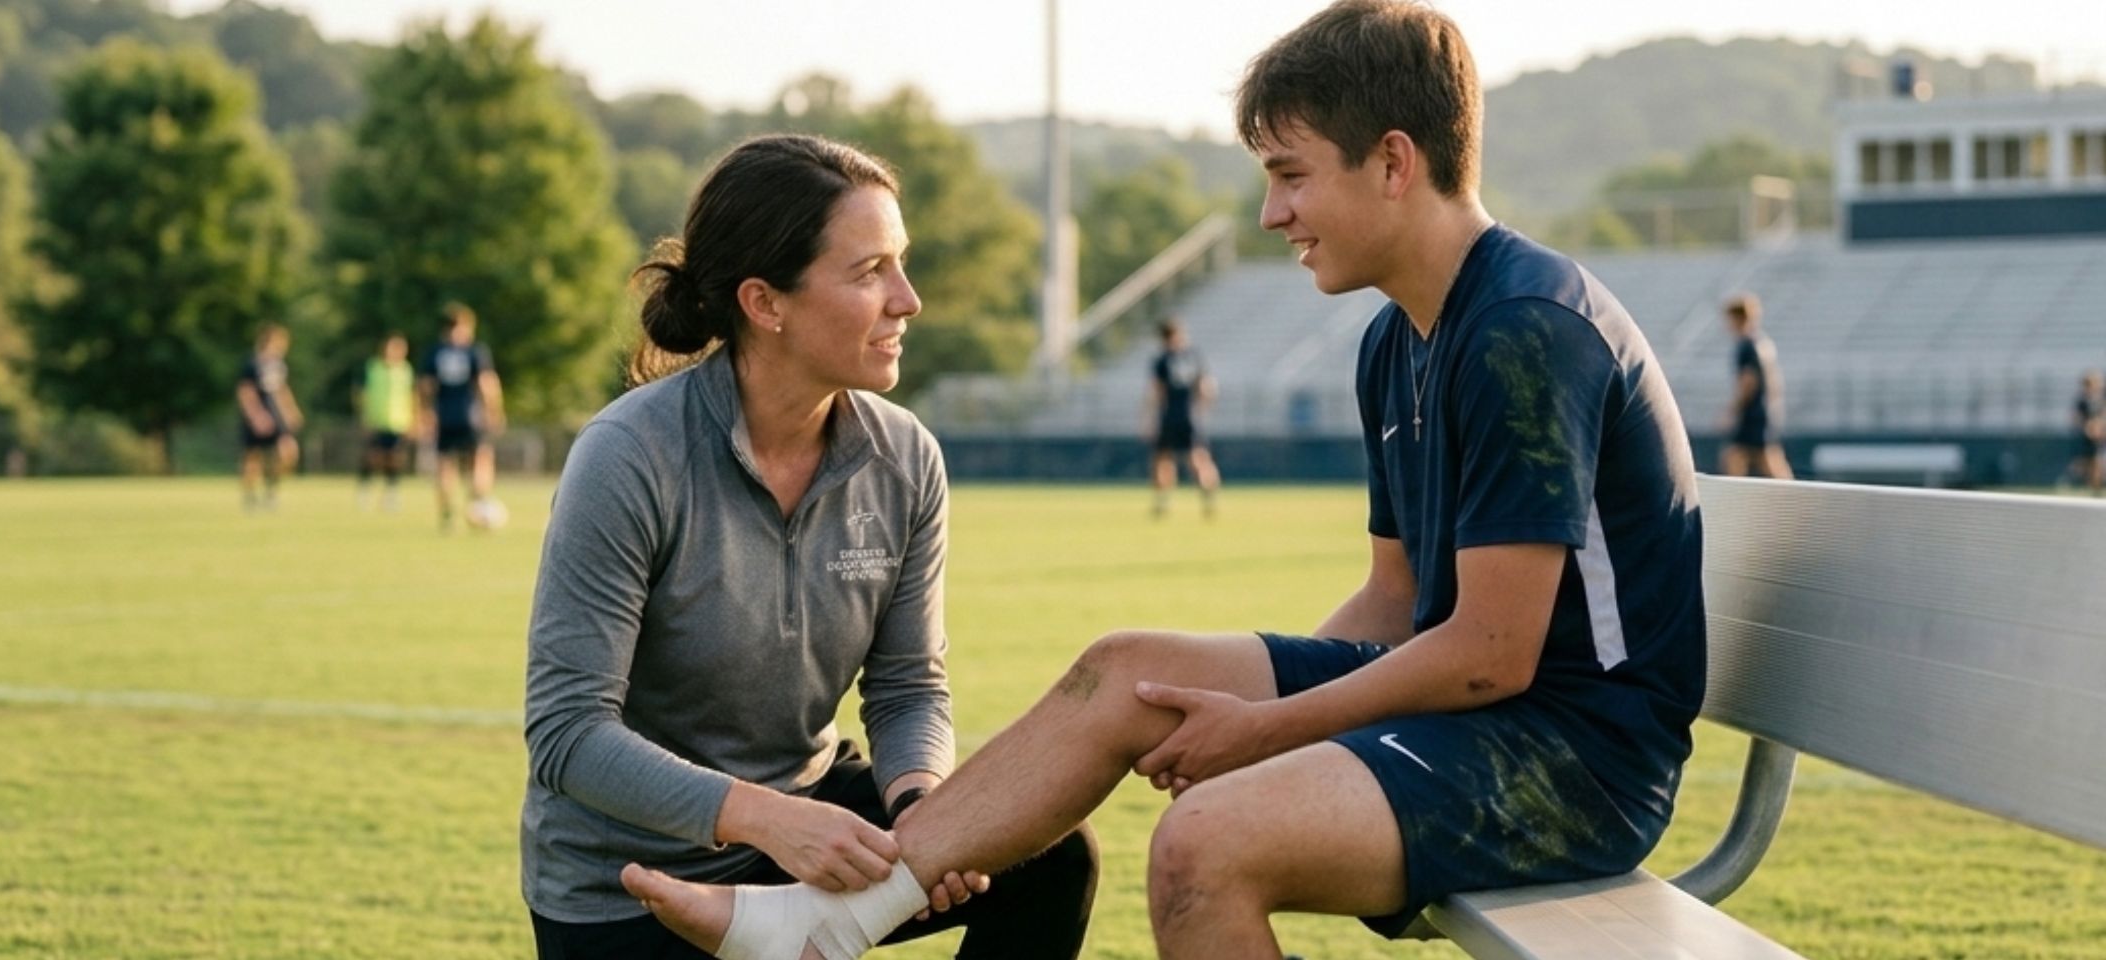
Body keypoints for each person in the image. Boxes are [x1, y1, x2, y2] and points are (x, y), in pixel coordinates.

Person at [621, 3, 1706, 958]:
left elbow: (1486, 654)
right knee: (1124, 671)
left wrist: (1270, 733)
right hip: (1486, 718)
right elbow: (1388, 604)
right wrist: (1244, 718)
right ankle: (833, 922)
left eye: (1290, 176)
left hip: (1574, 760)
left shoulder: (1521, 330)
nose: (1272, 214)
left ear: (1391, 161)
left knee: (1204, 848)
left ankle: (816, 924)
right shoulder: (1397, 340)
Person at [521, 134, 1099, 960]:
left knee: (1049, 857)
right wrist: (771, 821)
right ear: (765, 303)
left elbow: (907, 688)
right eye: (870, 272)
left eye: (901, 263)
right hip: (628, 887)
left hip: (811, 826)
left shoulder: (905, 458)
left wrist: (922, 812)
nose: (908, 299)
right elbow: (569, 733)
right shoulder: (629, 456)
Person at [418, 303, 504, 531]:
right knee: (481, 459)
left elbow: (426, 386)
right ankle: (477, 504)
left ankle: (447, 515)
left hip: (445, 416)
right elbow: (486, 383)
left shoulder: (435, 352)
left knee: (445, 465)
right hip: (471, 416)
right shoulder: (474, 351)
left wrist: (426, 413)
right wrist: (494, 411)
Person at [1148, 318, 1223, 518]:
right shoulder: (1194, 356)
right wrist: (1201, 410)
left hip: (1170, 415)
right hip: (1190, 415)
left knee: (1163, 459)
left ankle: (1162, 503)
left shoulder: (1162, 360)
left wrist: (1149, 418)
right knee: (1198, 458)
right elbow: (1207, 388)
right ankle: (1209, 500)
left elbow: (1157, 392)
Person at [1719, 292, 1792, 479]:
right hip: (1763, 410)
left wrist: (1732, 409)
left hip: (1752, 413)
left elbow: (1748, 381)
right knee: (1760, 457)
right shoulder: (1762, 343)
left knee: (1739, 456)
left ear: (1737, 318)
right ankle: (1792, 495)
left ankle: (1734, 500)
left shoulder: (1746, 346)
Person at [237, 323, 303, 512]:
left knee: (287, 453)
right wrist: (257, 416)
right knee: (253, 458)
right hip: (257, 417)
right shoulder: (252, 363)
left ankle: (271, 491)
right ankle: (250, 498)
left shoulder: (279, 365)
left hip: (277, 416)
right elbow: (245, 391)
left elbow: (281, 389)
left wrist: (291, 411)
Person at [354, 332, 415, 511]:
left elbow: (411, 396)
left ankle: (391, 493)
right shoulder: (373, 368)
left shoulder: (405, 370)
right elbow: (361, 394)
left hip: (398, 422)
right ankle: (364, 489)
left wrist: (414, 419)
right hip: (376, 420)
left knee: (394, 459)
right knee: (372, 457)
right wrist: (364, 416)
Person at [2069, 369, 2104, 495]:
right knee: (2088, 462)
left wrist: (2100, 426)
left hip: (2100, 436)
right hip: (2087, 437)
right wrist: (2087, 427)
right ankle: (2090, 485)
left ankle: (2096, 489)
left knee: (2097, 461)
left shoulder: (2101, 400)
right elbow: (2076, 418)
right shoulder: (2082, 402)